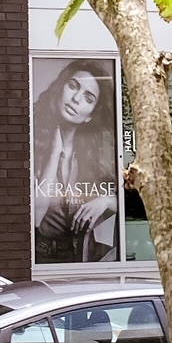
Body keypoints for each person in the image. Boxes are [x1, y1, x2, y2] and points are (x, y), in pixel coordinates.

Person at [32, 58, 119, 263]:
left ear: (90, 116)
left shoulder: (94, 154)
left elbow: (133, 203)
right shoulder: (32, 143)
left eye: (88, 98)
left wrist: (107, 201)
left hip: (84, 258)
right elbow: (34, 218)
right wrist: (55, 153)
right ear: (59, 90)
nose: (76, 99)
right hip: (41, 259)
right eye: (73, 86)